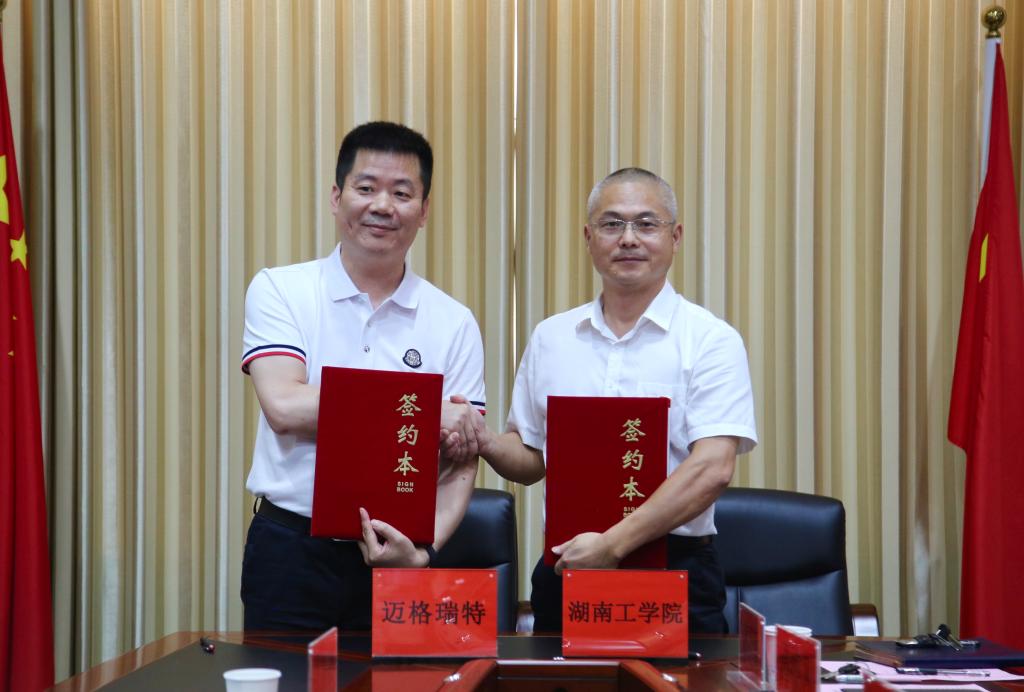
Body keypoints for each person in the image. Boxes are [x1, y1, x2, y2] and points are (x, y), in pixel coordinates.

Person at [474, 167, 757, 633]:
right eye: (612, 224)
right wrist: (483, 439)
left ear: (675, 237)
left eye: (646, 224)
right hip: (568, 561)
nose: (628, 238)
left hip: (674, 566)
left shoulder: (711, 340)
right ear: (589, 238)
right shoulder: (552, 337)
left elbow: (713, 468)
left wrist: (612, 545)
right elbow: (530, 459)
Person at [240, 121, 485, 632]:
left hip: (403, 552)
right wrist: (426, 412)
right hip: (291, 550)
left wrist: (423, 553)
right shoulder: (281, 290)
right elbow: (284, 407)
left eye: (402, 193)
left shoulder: (453, 321)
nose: (382, 206)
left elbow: (462, 458)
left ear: (424, 210)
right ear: (337, 197)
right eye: (366, 187)